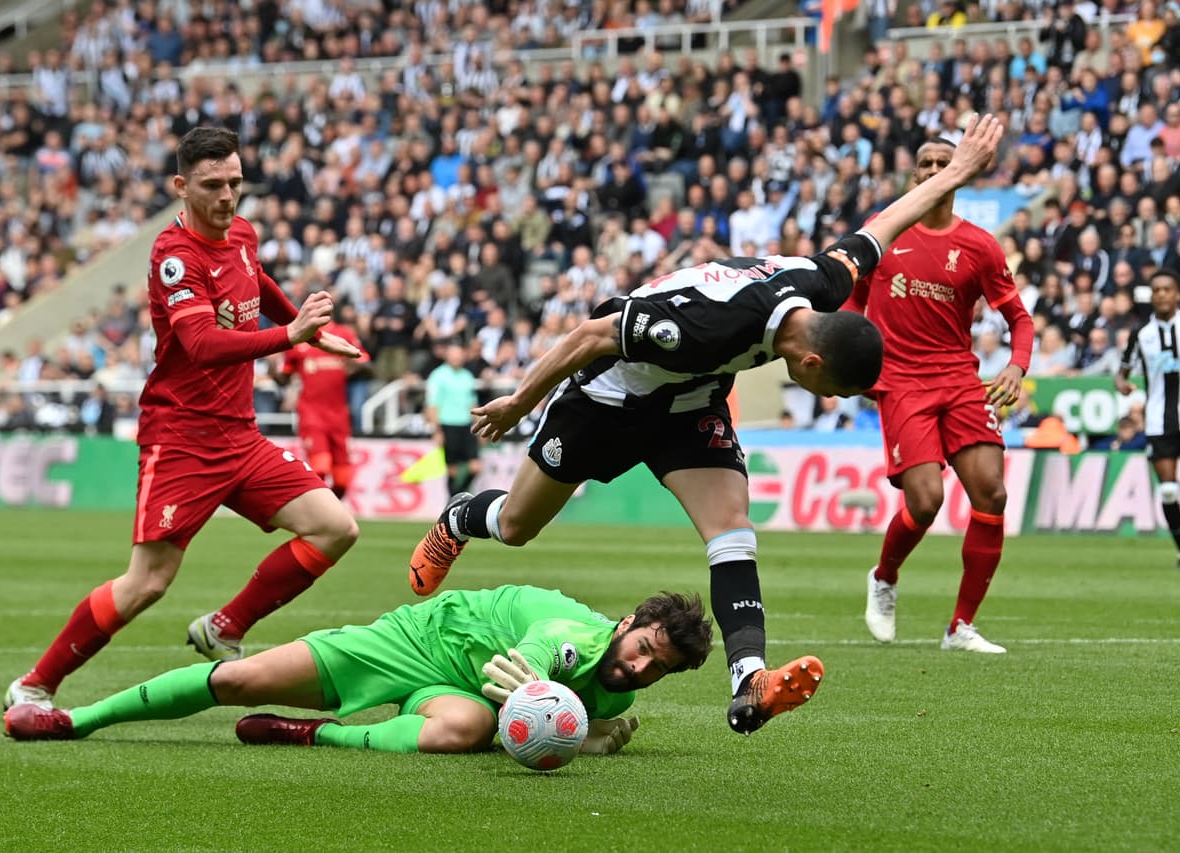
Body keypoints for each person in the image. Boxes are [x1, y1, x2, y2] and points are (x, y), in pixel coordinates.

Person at [409, 115, 1006, 734]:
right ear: (811, 360)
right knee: (515, 525)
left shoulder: (824, 282)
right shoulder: (701, 327)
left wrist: (959, 171)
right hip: (607, 400)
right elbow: (589, 336)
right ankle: (459, 516)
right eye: (831, 390)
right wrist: (516, 401)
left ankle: (750, 679)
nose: (827, 400)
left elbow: (883, 225)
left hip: (689, 404)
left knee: (732, 530)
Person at [3, 127, 363, 711]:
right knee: (147, 583)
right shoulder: (175, 257)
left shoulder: (240, 232)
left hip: (240, 434)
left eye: (235, 183)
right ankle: (36, 685)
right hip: (182, 438)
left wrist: (308, 330)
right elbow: (199, 343)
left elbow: (257, 281)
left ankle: (224, 627)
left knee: (335, 528)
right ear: (181, 186)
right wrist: (289, 337)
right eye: (212, 185)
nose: (227, 197)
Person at [4, 585, 711, 758]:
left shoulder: (618, 676)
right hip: (412, 641)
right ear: (624, 624)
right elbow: (541, 658)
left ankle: (316, 735)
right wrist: (563, 717)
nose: (639, 664)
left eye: (657, 667)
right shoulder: (570, 640)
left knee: (453, 731)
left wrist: (579, 728)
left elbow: (522, 717)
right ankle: (78, 718)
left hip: (458, 688)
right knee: (237, 680)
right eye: (643, 644)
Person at [846, 135, 1035, 655]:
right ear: (913, 177)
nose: (932, 170)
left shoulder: (979, 245)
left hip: (958, 380)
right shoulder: (882, 234)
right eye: (923, 163)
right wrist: (848, 365)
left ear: (960, 174)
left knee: (992, 495)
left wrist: (1017, 366)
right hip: (902, 382)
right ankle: (884, 577)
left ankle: (960, 627)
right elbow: (850, 306)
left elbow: (1019, 319)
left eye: (942, 163)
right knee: (926, 501)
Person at [1115, 270, 1180, 568]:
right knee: (1168, 489)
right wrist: (1122, 384)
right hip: (1157, 421)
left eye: (1167, 289)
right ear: (1152, 296)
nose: (1161, 294)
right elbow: (1121, 372)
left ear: (1177, 294)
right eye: (1157, 290)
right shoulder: (1141, 334)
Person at [275, 309, 371, 499]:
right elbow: (284, 376)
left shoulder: (344, 334)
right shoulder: (300, 337)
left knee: (343, 480)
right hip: (311, 414)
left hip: (339, 417)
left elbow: (367, 365)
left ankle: (325, 518)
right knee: (320, 468)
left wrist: (356, 365)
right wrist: (274, 366)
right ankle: (310, 520)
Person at [425, 340, 482, 498]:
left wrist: (480, 427)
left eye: (459, 355)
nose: (457, 358)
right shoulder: (438, 376)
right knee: (452, 469)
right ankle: (453, 502)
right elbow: (432, 405)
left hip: (466, 426)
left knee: (475, 467)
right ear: (447, 356)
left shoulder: (467, 376)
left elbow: (473, 404)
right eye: (453, 355)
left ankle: (457, 496)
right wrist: (436, 430)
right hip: (447, 425)